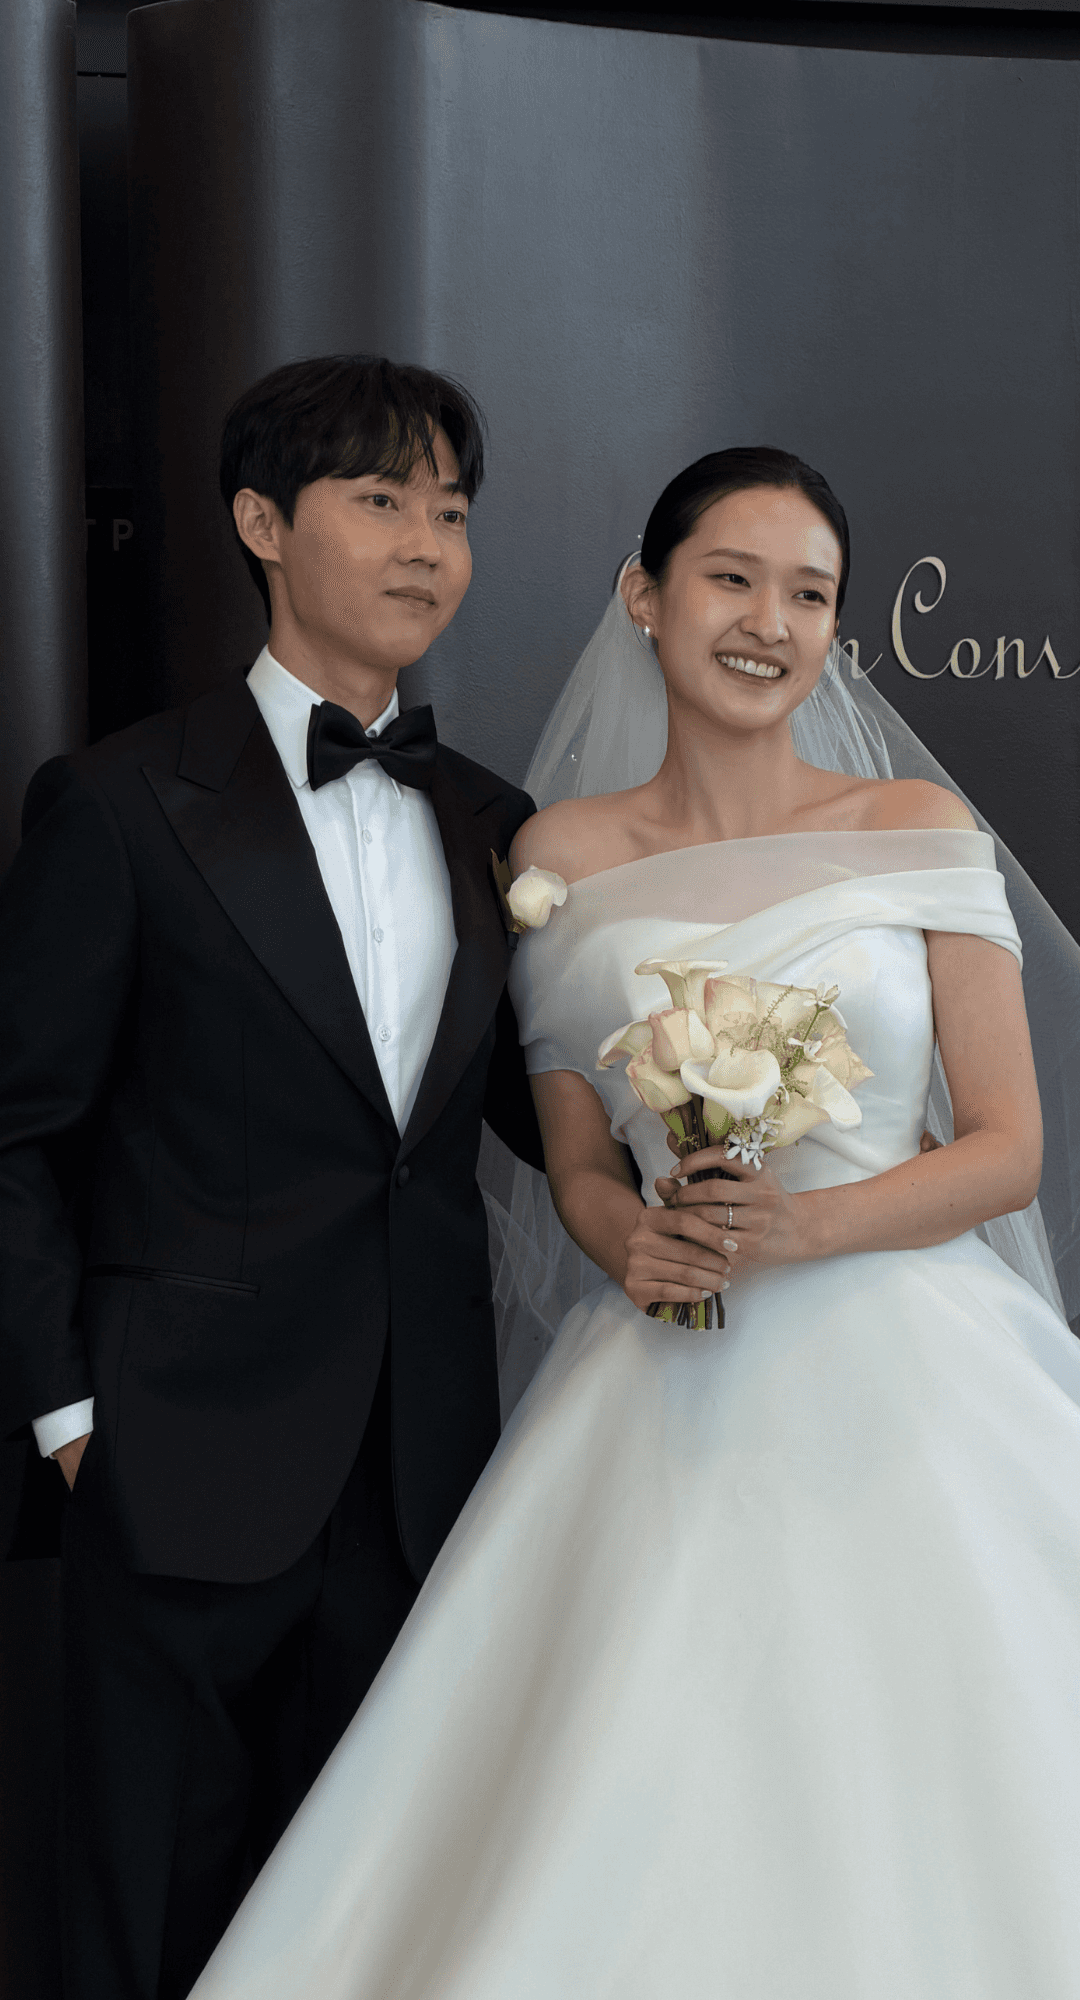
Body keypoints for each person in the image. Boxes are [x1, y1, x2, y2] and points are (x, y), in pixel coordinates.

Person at [190, 448, 1080, 1998]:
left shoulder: (915, 822)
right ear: (644, 597)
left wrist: (806, 1231)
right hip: (664, 1362)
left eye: (810, 595)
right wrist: (629, 1241)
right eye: (731, 579)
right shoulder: (557, 860)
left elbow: (1008, 1151)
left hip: (917, 1360)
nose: (768, 622)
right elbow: (576, 1163)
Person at [0, 353, 543, 2000]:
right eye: (380, 500)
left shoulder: (497, 821)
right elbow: (21, 1133)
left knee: (373, 1936)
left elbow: (531, 1116)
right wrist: (72, 1421)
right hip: (174, 1466)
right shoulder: (119, 803)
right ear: (260, 521)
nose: (427, 546)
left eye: (451, 512)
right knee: (143, 1927)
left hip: (422, 1478)